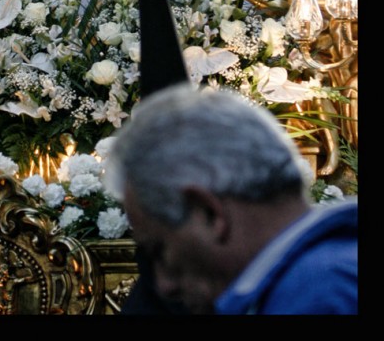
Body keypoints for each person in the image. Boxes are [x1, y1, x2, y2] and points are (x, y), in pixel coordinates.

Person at [108, 82, 358, 315]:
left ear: (209, 213)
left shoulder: (315, 299)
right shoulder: (330, 272)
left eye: (159, 251)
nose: (164, 286)